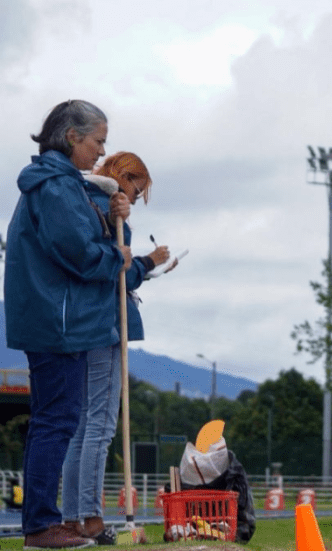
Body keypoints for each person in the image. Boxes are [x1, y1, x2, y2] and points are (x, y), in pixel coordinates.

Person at [5, 100, 131, 549]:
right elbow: (79, 253)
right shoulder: (57, 187)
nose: (101, 151)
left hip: (53, 317)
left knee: (55, 420)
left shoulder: (59, 184)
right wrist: (119, 256)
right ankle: (41, 525)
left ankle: (45, 520)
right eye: (97, 140)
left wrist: (115, 217)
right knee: (56, 422)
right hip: (57, 322)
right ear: (72, 136)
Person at [60, 152, 172, 544]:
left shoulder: (84, 198)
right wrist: (138, 252)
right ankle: (89, 516)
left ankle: (75, 516)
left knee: (83, 427)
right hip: (104, 325)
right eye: (136, 190)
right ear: (125, 177)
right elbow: (113, 268)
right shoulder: (103, 202)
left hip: (86, 323)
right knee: (99, 427)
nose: (137, 199)